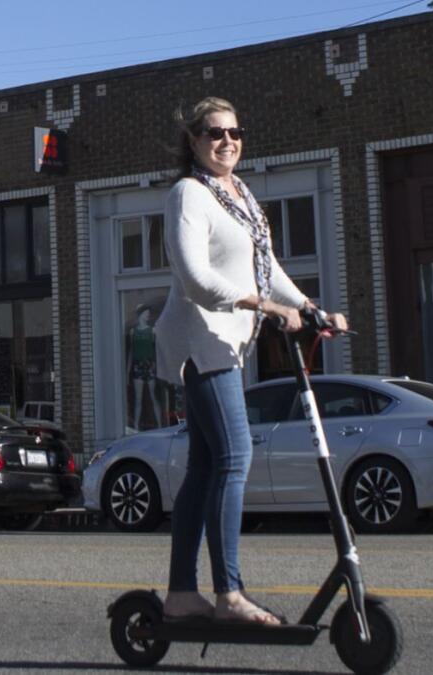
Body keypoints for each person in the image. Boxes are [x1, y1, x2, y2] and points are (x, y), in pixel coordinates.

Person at [155, 96, 347, 624]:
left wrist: (310, 308)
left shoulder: (239, 194)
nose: (227, 141)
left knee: (202, 468)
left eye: (235, 131)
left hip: (227, 344)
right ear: (193, 141)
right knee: (235, 457)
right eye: (214, 133)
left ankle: (180, 594)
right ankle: (229, 594)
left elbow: (267, 269)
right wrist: (266, 306)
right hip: (200, 341)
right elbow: (195, 278)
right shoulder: (187, 195)